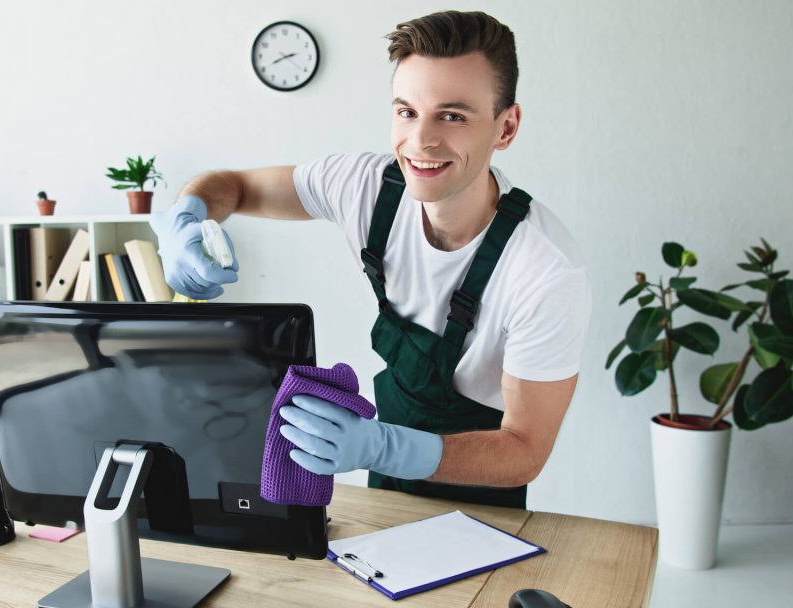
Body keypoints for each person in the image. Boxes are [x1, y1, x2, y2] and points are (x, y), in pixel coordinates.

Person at [149, 10, 591, 508]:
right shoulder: (365, 188)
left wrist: (382, 445)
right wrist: (188, 219)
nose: (420, 141)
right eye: (406, 111)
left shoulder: (545, 272)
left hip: (485, 503)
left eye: (452, 116)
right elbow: (233, 186)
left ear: (505, 127)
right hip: (385, 489)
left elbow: (524, 452)